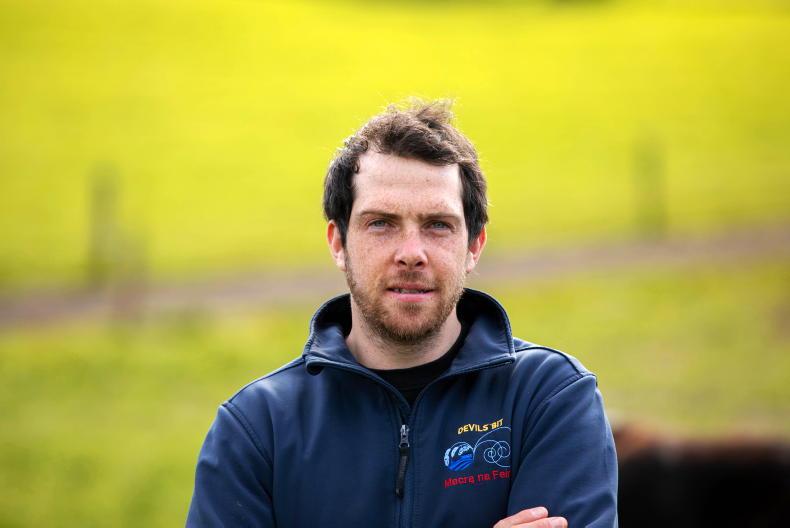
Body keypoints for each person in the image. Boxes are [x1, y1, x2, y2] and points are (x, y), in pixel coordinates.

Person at [187, 100, 618, 527]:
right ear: (338, 243)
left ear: (474, 245)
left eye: (438, 225)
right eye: (381, 223)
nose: (411, 254)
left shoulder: (549, 398)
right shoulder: (257, 428)